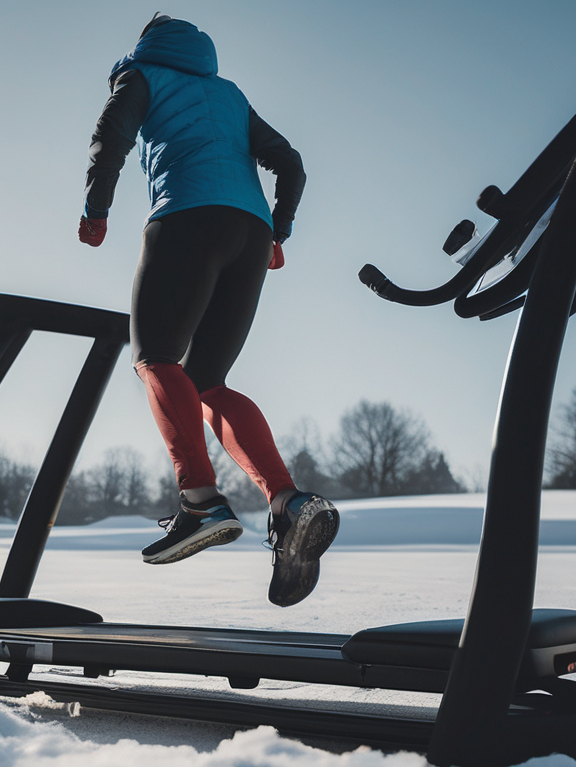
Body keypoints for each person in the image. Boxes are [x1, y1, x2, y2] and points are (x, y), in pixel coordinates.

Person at [77, 14, 338, 607]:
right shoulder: (229, 94)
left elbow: (110, 136)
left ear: (145, 45)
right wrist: (279, 231)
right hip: (251, 233)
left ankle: (200, 500)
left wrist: (96, 207)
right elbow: (291, 162)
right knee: (206, 382)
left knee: (155, 358)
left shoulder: (141, 74)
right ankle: (286, 500)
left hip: (187, 217)